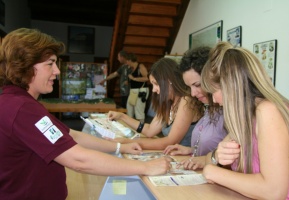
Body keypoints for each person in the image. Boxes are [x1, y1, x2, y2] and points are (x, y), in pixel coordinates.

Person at [0, 28, 171, 200]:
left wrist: (120, 147)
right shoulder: (23, 108)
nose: (57, 71)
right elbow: (79, 160)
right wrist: (145, 167)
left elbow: (71, 135)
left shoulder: (19, 103)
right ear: (27, 64)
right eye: (50, 63)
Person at [200, 42, 289, 199]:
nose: (214, 99)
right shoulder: (245, 120)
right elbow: (209, 159)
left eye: (214, 91)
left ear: (230, 86)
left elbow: (274, 191)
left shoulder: (268, 111)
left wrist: (213, 172)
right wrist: (217, 157)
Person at [107, 58, 200, 150]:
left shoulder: (187, 101)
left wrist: (128, 142)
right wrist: (122, 116)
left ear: (169, 81)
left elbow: (170, 141)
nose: (154, 90)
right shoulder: (168, 103)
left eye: (156, 83)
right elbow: (150, 130)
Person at [163, 46, 227, 168]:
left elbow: (231, 156)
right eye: (189, 87)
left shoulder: (228, 111)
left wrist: (205, 160)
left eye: (197, 85)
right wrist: (191, 150)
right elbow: (214, 145)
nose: (193, 93)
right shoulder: (209, 107)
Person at [126, 53, 149, 123]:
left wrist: (133, 78)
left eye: (127, 61)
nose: (126, 63)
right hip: (133, 91)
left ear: (130, 60)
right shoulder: (131, 68)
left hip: (141, 90)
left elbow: (146, 78)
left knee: (139, 110)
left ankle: (141, 127)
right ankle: (131, 125)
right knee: (129, 108)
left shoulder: (140, 66)